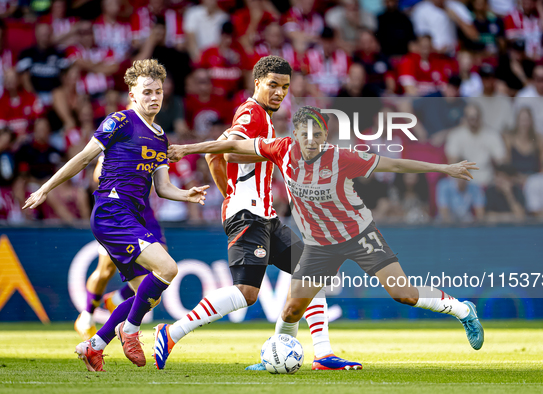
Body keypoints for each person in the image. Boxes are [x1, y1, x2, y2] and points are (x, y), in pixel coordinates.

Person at [168, 105, 484, 359]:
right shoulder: (281, 149)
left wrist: (445, 169)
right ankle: (280, 355)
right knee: (292, 309)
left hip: (359, 234)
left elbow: (395, 166)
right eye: (305, 134)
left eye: (317, 135)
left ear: (325, 136)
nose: (311, 141)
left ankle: (462, 309)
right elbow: (232, 145)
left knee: (403, 293)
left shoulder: (341, 157)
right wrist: (188, 148)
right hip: (320, 245)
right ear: (295, 135)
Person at [154, 56, 360, 372]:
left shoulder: (260, 116)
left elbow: (217, 151)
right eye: (273, 85)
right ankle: (172, 332)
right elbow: (224, 147)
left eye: (285, 87)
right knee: (247, 293)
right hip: (247, 215)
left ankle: (322, 354)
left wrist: (227, 189)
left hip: (265, 215)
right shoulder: (251, 113)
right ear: (257, 83)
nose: (279, 92)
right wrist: (229, 193)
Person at [22, 59, 209, 372]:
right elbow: (83, 159)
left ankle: (94, 346)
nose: (154, 97)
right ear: (133, 95)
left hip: (131, 216)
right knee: (167, 268)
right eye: (146, 91)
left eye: (158, 91)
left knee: (145, 295)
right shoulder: (120, 121)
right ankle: (130, 330)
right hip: (111, 211)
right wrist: (45, 188)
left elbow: (162, 187)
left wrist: (185, 194)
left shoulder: (161, 137)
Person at [74, 155, 167, 340]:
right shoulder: (119, 142)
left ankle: (116, 300)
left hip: (144, 212)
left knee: (163, 262)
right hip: (118, 212)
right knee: (105, 270)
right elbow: (97, 176)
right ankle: (87, 316)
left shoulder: (153, 142)